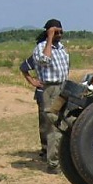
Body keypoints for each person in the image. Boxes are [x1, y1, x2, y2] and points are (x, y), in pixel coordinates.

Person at [32, 18, 70, 173]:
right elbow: (45, 60)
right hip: (51, 89)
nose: (59, 35)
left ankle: (62, 158)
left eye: (60, 32)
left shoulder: (61, 48)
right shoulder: (41, 47)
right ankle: (53, 164)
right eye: (55, 32)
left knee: (65, 121)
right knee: (54, 125)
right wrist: (49, 38)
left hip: (63, 87)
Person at [19, 54, 46, 161]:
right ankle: (46, 150)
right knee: (45, 123)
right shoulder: (39, 54)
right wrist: (33, 81)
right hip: (43, 92)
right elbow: (23, 67)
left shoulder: (61, 51)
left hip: (58, 91)